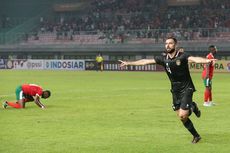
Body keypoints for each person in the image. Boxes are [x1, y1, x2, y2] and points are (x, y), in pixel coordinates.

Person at [119, 36, 216, 144]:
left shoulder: (182, 56)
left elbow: (195, 59)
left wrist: (207, 60)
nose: (168, 45)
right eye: (166, 43)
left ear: (175, 45)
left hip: (187, 87)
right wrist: (129, 63)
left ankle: (192, 107)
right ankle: (196, 134)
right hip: (175, 90)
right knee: (182, 118)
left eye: (170, 43)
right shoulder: (163, 58)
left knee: (183, 114)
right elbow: (145, 61)